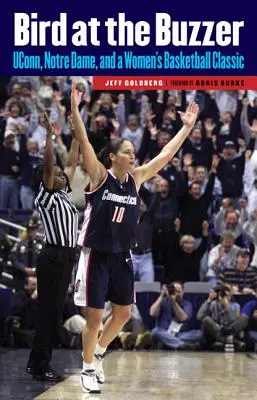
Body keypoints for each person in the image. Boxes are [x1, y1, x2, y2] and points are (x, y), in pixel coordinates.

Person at [71, 83, 199, 394]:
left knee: (125, 313)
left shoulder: (136, 178)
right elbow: (84, 140)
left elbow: (166, 156)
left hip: (122, 256)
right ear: (113, 156)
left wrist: (186, 129)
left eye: (133, 151)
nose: (133, 154)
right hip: (96, 254)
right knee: (94, 316)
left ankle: (99, 351)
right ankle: (88, 367)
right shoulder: (100, 176)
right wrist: (75, 110)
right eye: (128, 151)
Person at [25, 113, 79, 382]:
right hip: (54, 256)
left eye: (62, 175)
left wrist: (77, 135)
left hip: (66, 257)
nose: (61, 175)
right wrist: (48, 136)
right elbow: (50, 166)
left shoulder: (63, 195)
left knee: (53, 312)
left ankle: (36, 363)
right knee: (50, 313)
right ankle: (41, 364)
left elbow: (70, 161)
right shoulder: (46, 196)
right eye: (56, 174)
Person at [150, 282, 202, 350]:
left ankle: (169, 342)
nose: (176, 294)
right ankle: (181, 345)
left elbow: (183, 318)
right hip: (163, 332)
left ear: (183, 292)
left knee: (199, 334)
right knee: (155, 331)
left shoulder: (187, 304)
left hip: (179, 334)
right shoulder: (163, 301)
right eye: (173, 291)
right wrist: (162, 295)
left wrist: (173, 302)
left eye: (178, 292)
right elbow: (152, 313)